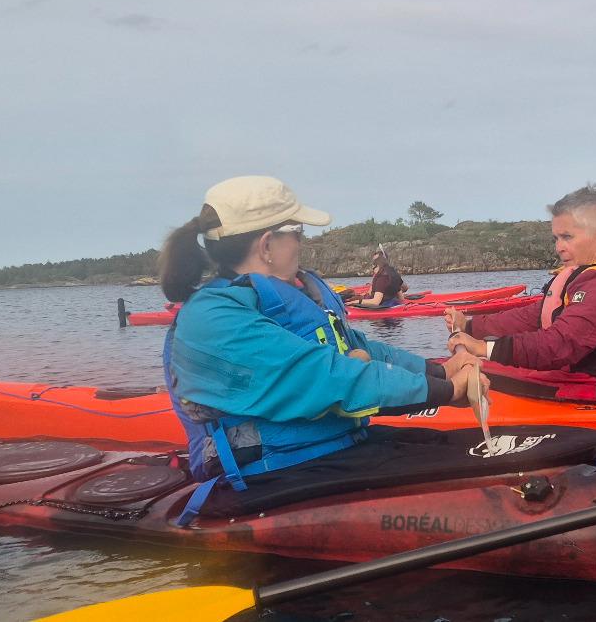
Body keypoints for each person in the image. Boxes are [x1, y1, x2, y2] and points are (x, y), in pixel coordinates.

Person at [158, 176, 487, 522]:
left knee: (457, 446)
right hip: (269, 472)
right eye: (298, 232)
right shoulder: (214, 319)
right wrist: (447, 391)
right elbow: (328, 379)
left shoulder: (285, 294)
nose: (302, 243)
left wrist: (439, 371)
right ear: (267, 245)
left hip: (332, 447)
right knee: (461, 473)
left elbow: (361, 347)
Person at [444, 183, 596, 404]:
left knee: (459, 371)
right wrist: (471, 327)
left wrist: (483, 348)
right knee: (449, 366)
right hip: (580, 378)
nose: (558, 247)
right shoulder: (585, 276)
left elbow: (560, 345)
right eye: (556, 238)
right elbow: (532, 316)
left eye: (567, 237)